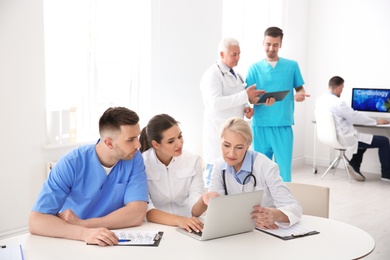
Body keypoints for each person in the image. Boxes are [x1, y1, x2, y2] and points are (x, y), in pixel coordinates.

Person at [29, 107, 149, 246]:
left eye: (138, 137)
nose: (138, 145)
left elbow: (136, 214)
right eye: (131, 139)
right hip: (74, 240)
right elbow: (36, 221)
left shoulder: (133, 158)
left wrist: (85, 224)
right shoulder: (71, 163)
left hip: (113, 239)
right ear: (109, 143)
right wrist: (85, 233)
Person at [204, 117, 302, 230]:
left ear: (248, 145)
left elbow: (294, 208)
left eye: (239, 147)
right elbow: (216, 206)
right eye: (226, 145)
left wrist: (276, 215)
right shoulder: (219, 165)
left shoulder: (265, 166)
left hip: (265, 231)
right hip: (235, 230)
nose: (231, 153)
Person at [200, 37, 270, 187]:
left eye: (239, 54)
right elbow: (215, 103)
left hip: (234, 134)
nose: (237, 58)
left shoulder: (237, 75)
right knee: (214, 182)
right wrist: (245, 95)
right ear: (222, 54)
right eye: (233, 54)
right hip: (218, 135)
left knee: (232, 183)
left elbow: (238, 98)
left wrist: (246, 108)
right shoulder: (212, 75)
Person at [245, 26, 310, 182]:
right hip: (261, 126)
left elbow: (299, 87)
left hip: (283, 125)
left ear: (281, 44)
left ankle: (283, 204)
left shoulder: (291, 66)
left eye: (275, 44)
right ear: (263, 43)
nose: (271, 48)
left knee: (284, 172)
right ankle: (261, 203)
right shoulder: (254, 68)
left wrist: (300, 94)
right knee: (259, 171)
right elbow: (249, 97)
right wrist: (258, 102)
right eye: (268, 44)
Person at [140, 114, 207, 233]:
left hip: (188, 226)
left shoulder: (193, 160)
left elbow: (195, 209)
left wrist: (204, 200)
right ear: (156, 144)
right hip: (155, 228)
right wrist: (179, 220)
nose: (179, 144)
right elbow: (147, 210)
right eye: (171, 141)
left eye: (180, 136)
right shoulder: (141, 163)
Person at [315, 76, 390, 181]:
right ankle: (386, 175)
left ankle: (354, 165)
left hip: (329, 137)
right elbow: (354, 116)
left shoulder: (320, 100)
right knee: (384, 141)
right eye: (342, 88)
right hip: (344, 137)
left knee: (364, 140)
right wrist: (376, 121)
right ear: (339, 88)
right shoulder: (338, 102)